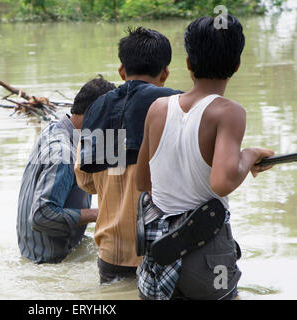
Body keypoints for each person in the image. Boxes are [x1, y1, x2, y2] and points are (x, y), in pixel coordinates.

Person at [135, 15, 274, 300]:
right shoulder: (228, 112)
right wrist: (249, 155)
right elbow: (222, 182)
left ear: (188, 63)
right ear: (236, 66)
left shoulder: (158, 108)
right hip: (207, 259)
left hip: (159, 253)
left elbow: (141, 181)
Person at [74, 27, 181, 284]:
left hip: (111, 253)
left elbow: (85, 181)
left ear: (121, 71)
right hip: (159, 249)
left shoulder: (97, 109)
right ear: (165, 72)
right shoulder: (176, 105)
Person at [17, 76, 116, 264]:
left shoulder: (53, 129)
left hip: (33, 252)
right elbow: (41, 216)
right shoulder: (63, 154)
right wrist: (100, 213)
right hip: (50, 260)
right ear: (95, 116)